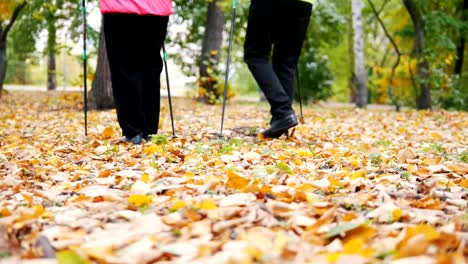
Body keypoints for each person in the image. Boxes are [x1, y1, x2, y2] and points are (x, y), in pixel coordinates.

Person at [100, 0, 172, 144]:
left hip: (120, 7)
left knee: (124, 69)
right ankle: (148, 128)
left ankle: (133, 130)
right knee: (150, 67)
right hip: (157, 9)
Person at [244, 0, 314, 138]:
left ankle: (283, 112)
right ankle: (280, 124)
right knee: (286, 62)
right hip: (303, 4)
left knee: (255, 54)